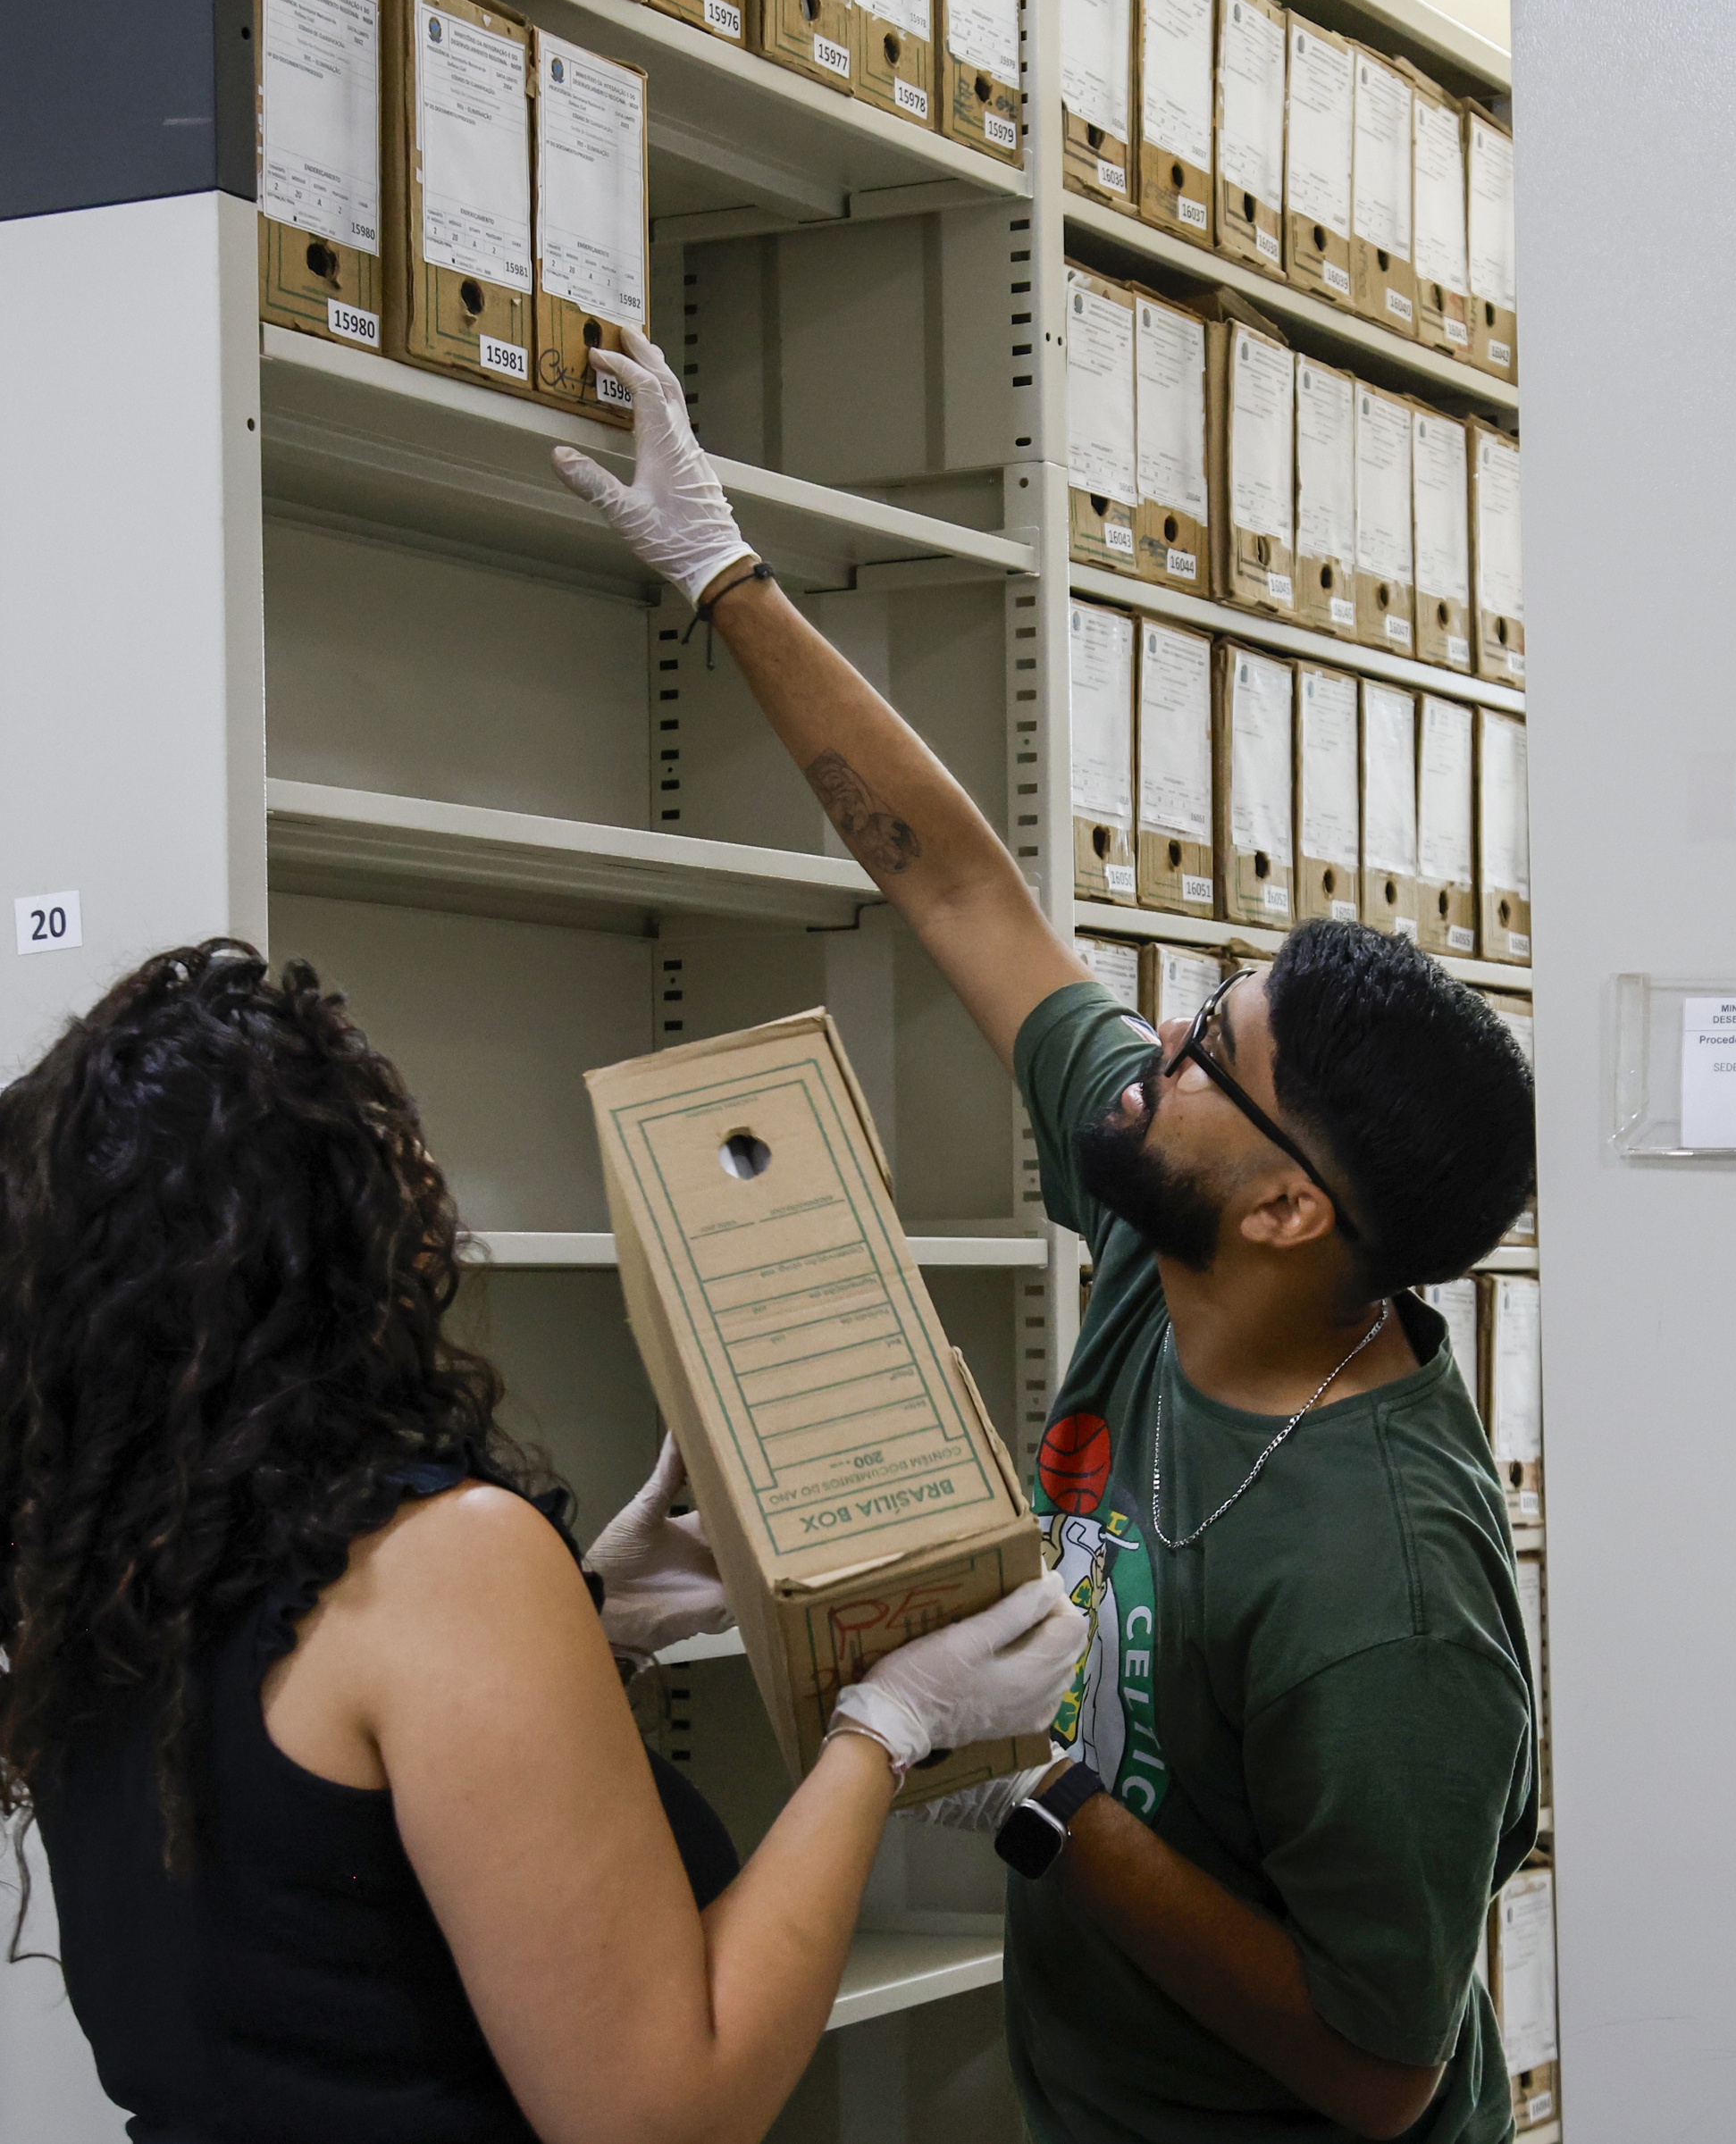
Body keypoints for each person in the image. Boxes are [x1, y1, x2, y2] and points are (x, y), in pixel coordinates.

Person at [555, 344, 1544, 2144]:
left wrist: (1033, 1802)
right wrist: (723, 573)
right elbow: (954, 882)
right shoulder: (1174, 1219)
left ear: (1289, 1207)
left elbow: (1380, 2068)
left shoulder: (1388, 1600)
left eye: (1202, 1056)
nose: (1148, 1043)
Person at [0, 942, 1088, 2144]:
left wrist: (584, 1632)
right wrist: (887, 1728)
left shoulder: (108, 1562)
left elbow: (325, 1884)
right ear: (340, 1241)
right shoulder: (444, 1559)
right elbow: (662, 2114)